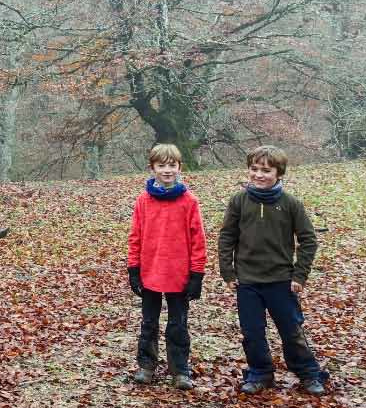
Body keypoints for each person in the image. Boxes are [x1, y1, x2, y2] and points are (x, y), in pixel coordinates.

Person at [219, 145, 328, 394]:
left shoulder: (290, 203)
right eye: (254, 169)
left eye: (266, 170)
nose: (259, 175)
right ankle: (260, 373)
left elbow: (308, 239)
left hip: (281, 280)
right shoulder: (238, 201)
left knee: (291, 331)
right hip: (247, 281)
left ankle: (309, 373)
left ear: (279, 173)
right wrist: (228, 272)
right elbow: (227, 237)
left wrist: (300, 274)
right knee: (252, 332)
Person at [127, 143, 207, 390]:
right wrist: (133, 268)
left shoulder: (189, 201)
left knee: (178, 323)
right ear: (152, 168)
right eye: (161, 166)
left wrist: (197, 274)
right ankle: (146, 365)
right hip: (150, 272)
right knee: (149, 322)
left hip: (179, 275)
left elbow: (198, 239)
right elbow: (135, 236)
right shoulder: (143, 200)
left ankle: (180, 369)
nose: (167, 170)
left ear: (179, 167)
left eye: (172, 165)